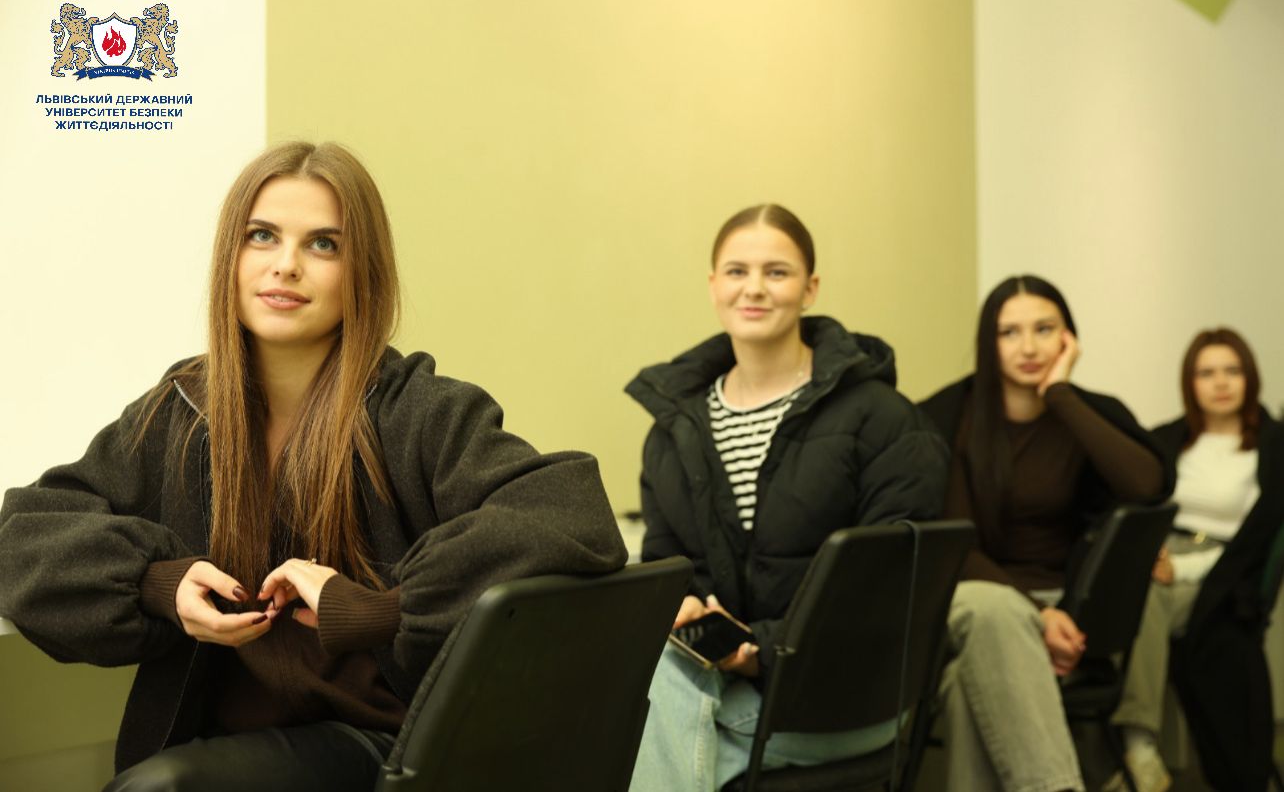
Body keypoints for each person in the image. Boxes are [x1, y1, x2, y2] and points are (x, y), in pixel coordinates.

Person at [0, 141, 627, 791]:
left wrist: (380, 610)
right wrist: (158, 584)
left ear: (363, 273)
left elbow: (568, 513)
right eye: (262, 236)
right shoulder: (179, 411)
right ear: (230, 256)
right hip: (223, 750)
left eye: (323, 244)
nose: (286, 265)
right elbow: (25, 535)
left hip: (387, 749)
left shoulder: (419, 411)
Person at [625, 204, 949, 791]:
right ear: (713, 285)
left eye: (776, 272)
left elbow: (892, 589)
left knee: (629, 737)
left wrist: (763, 651)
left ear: (810, 288)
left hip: (845, 700)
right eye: (736, 271)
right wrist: (687, 613)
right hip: (717, 685)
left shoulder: (884, 420)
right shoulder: (672, 434)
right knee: (633, 702)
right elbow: (668, 568)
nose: (754, 288)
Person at [919, 274, 1169, 792]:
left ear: (1068, 338)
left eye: (1044, 329)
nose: (1029, 347)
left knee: (966, 687)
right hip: (976, 601)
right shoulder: (948, 417)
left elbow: (1147, 487)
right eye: (1009, 332)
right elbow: (954, 545)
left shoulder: (1085, 413)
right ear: (987, 342)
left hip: (1074, 615)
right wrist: (1036, 615)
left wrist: (1060, 394)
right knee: (989, 625)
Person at [1110, 327, 1284, 792]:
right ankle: (1138, 749)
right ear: (1190, 382)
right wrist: (1152, 555)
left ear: (1250, 377)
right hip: (1159, 556)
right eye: (1207, 373)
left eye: (1232, 370)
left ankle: (1138, 742)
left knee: (1147, 599)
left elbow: (1256, 540)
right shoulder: (1166, 440)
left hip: (1221, 569)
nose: (1220, 382)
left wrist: (1181, 569)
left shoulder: (1273, 446)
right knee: (1137, 591)